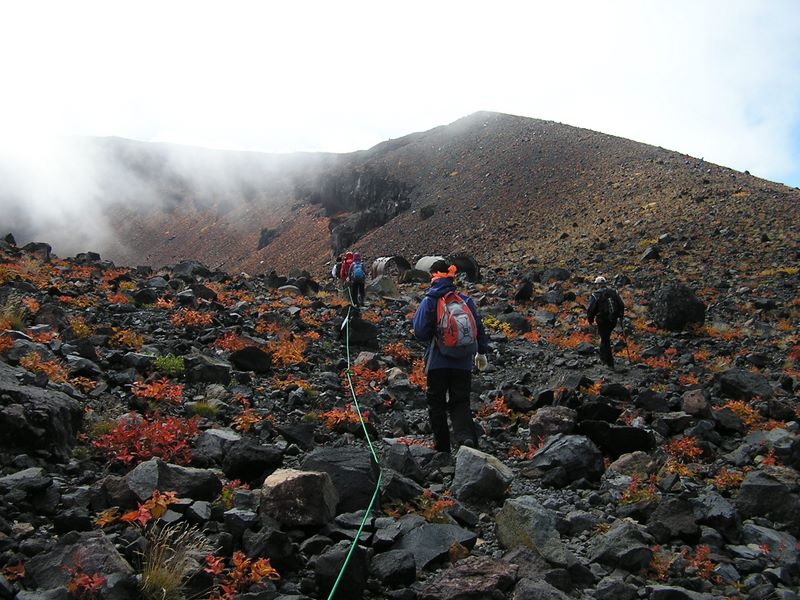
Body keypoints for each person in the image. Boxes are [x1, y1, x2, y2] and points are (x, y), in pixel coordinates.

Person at [412, 260, 489, 453]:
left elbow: (420, 331)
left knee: (436, 404)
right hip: (462, 362)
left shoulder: (430, 300)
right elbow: (478, 328)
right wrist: (482, 352)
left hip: (438, 361)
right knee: (460, 401)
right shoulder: (465, 300)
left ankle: (443, 448)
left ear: (434, 276)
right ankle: (466, 439)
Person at [587, 276, 625, 369]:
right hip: (613, 320)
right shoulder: (613, 292)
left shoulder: (596, 294)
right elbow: (621, 304)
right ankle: (603, 358)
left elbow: (591, 308)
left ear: (598, 285)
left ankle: (609, 363)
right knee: (605, 338)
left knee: (605, 340)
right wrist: (620, 316)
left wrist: (590, 319)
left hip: (602, 320)